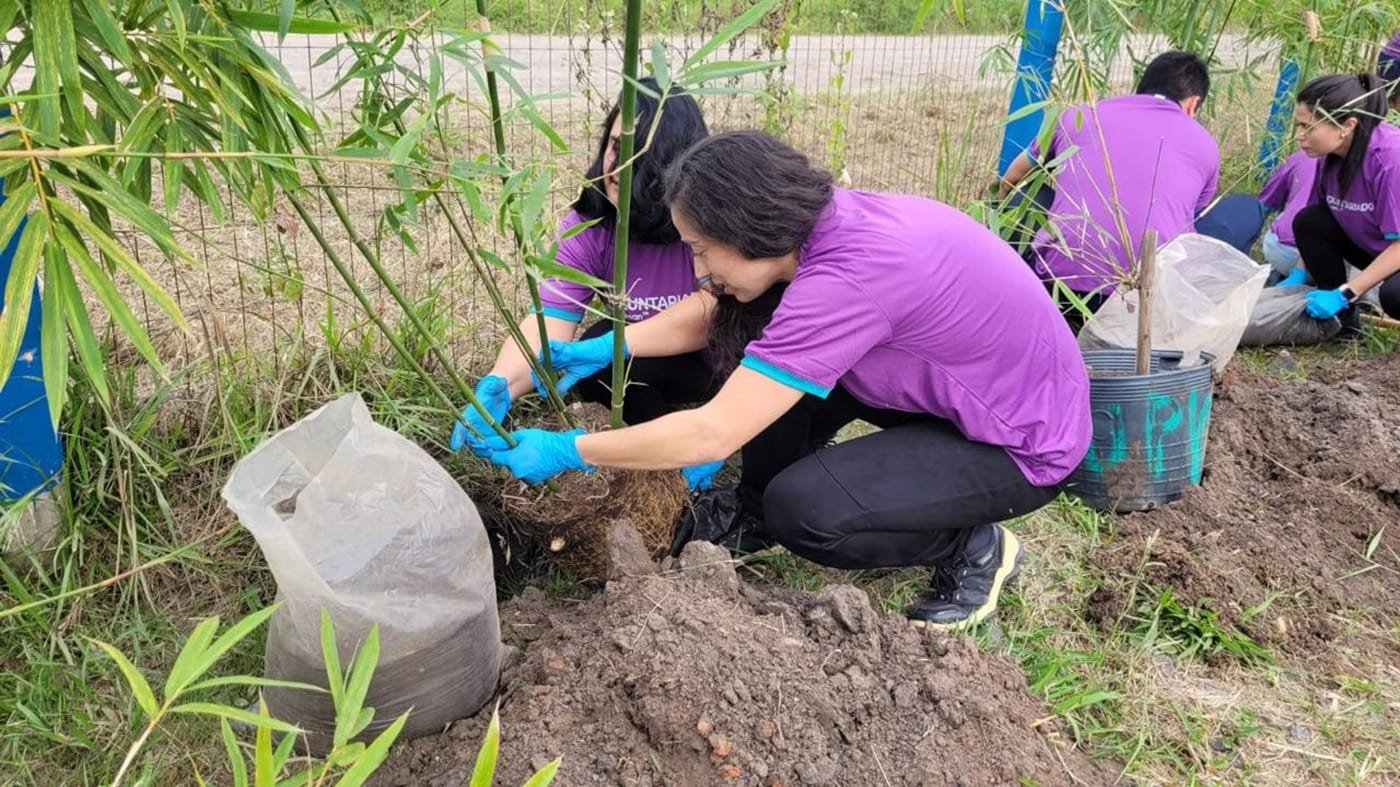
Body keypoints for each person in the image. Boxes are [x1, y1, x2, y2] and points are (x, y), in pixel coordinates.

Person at [478, 130, 1092, 630]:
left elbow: (710, 434)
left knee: (806, 512)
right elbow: (717, 312)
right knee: (760, 358)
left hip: (1016, 442)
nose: (699, 269)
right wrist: (605, 347)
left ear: (747, 230)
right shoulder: (821, 231)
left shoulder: (848, 279)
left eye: (699, 249)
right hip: (955, 390)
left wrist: (566, 450)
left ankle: (971, 547)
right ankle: (752, 513)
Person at [449, 79, 723, 490]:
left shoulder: (707, 222)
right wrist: (499, 386)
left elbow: (712, 313)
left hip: (718, 362)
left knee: (609, 345)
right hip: (645, 362)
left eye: (637, 152)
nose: (617, 166)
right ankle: (663, 445)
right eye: (614, 146)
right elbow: (550, 323)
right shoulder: (590, 227)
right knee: (601, 356)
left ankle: (706, 433)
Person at [999, 51, 1222, 312]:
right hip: (1149, 300)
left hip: (1061, 284)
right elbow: (1190, 213)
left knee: (1024, 196)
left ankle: (1011, 294)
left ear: (1142, 87)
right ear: (1193, 104)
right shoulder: (1205, 144)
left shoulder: (1078, 116)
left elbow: (1012, 178)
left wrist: (1001, 209)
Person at [1280, 73, 1400, 326]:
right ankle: (1342, 324)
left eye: (1307, 127)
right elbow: (1318, 219)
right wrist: (1299, 272)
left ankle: (1342, 305)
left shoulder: (1390, 159)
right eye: (1299, 126)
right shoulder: (1329, 156)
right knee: (1308, 221)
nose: (1299, 136)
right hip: (1378, 251)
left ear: (1347, 125)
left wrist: (1345, 293)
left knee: (1395, 295)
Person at [1256, 148, 1317, 277]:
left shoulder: (1302, 156)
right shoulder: (1361, 166)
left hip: (1280, 248)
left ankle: (1278, 274)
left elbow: (1265, 204)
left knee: (1291, 210)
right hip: (1332, 261)